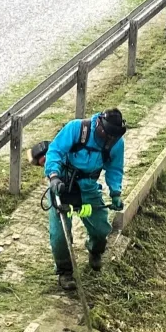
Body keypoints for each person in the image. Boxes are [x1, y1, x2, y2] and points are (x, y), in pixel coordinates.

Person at [44, 108, 126, 290]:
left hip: (88, 186)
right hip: (63, 182)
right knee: (60, 235)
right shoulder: (77, 129)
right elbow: (55, 151)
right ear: (99, 126)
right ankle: (65, 271)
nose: (110, 141)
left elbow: (115, 168)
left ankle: (95, 249)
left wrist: (115, 192)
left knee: (101, 227)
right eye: (108, 137)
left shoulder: (116, 143)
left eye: (114, 138)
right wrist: (54, 176)